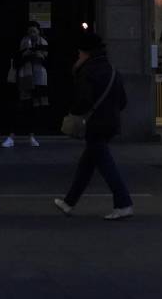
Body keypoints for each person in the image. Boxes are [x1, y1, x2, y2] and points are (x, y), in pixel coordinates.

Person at [53, 29, 133, 220]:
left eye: (79, 52)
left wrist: (74, 112)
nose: (78, 55)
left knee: (106, 165)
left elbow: (83, 100)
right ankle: (69, 202)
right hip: (111, 122)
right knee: (87, 164)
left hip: (95, 124)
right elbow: (123, 101)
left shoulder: (87, 71)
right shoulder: (113, 71)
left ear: (85, 52)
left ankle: (123, 203)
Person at [3, 21, 48, 148]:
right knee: (19, 108)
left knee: (34, 109)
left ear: (39, 31)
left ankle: (32, 136)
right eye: (30, 32)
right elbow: (16, 62)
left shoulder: (44, 44)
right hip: (23, 81)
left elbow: (48, 61)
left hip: (39, 80)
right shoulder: (22, 44)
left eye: (34, 31)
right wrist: (25, 56)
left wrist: (39, 56)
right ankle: (11, 136)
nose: (32, 34)